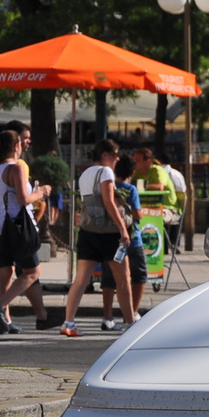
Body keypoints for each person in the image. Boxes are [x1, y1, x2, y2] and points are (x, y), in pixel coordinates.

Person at [0, 130, 52, 334]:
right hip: (14, 228)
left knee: (5, 273)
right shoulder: (16, 168)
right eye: (21, 143)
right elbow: (24, 199)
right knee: (32, 272)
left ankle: (5, 321)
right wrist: (41, 192)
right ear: (15, 147)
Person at [62, 139, 134, 338]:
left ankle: (68, 321)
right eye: (115, 155)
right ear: (104, 155)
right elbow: (108, 201)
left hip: (88, 230)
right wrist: (123, 229)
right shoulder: (106, 172)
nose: (117, 159)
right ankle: (130, 323)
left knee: (82, 278)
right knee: (123, 279)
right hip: (108, 233)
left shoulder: (85, 174)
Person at [99, 156, 146, 329]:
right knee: (139, 275)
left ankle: (107, 316)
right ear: (132, 173)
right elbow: (136, 214)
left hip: (110, 236)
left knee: (109, 279)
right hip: (132, 239)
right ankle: (132, 313)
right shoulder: (130, 189)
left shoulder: (107, 186)